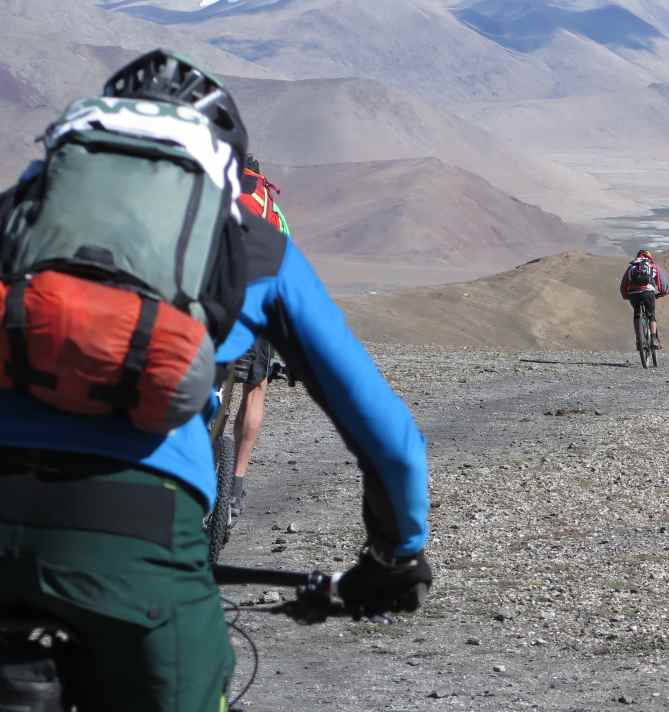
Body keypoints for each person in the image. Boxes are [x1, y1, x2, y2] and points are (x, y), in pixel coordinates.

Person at [0, 50, 431, 712]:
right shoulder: (252, 245)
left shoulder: (15, 216)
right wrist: (394, 558)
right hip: (141, 544)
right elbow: (388, 435)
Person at [229, 155, 291, 520]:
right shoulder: (271, 207)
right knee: (255, 390)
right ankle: (236, 483)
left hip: (212, 300)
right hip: (255, 306)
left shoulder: (210, 189)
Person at [620, 248, 669, 349]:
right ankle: (654, 339)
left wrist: (626, 296)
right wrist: (663, 292)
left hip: (633, 294)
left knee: (636, 314)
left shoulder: (632, 267)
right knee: (651, 315)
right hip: (648, 292)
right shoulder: (652, 266)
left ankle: (639, 341)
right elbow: (662, 282)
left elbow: (623, 284)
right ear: (649, 257)